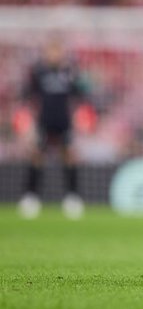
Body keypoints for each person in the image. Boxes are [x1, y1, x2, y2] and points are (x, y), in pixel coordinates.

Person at [18, 38, 88, 219]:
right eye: (51, 51)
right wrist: (29, 123)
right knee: (36, 156)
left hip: (64, 121)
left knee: (69, 156)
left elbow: (79, 96)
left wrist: (79, 119)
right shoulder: (38, 72)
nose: (54, 55)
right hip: (44, 120)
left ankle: (72, 197)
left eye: (57, 51)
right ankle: (31, 197)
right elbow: (29, 97)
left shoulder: (70, 72)